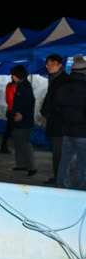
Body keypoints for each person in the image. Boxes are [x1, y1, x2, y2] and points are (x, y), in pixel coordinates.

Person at [54, 54, 86, 190]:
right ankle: (76, 189)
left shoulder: (62, 86)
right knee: (82, 162)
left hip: (66, 129)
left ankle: (61, 186)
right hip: (83, 131)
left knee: (65, 160)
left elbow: (56, 108)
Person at [39, 54, 69, 185]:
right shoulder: (54, 79)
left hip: (60, 123)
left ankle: (60, 179)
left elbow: (61, 103)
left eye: (52, 64)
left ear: (60, 65)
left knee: (59, 153)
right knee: (56, 153)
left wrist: (49, 112)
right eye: (48, 64)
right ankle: (57, 176)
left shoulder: (64, 81)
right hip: (54, 121)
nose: (49, 67)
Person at [10, 65, 36, 176]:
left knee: (24, 143)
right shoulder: (20, 85)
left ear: (17, 75)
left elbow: (30, 102)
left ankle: (31, 167)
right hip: (18, 120)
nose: (12, 77)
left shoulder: (25, 86)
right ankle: (21, 164)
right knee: (18, 143)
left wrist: (22, 113)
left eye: (13, 75)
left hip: (24, 120)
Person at [0, 76, 16, 154]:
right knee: (9, 129)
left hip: (13, 110)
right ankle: (3, 146)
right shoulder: (11, 87)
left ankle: (4, 145)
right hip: (12, 111)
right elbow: (9, 99)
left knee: (11, 129)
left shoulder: (15, 86)